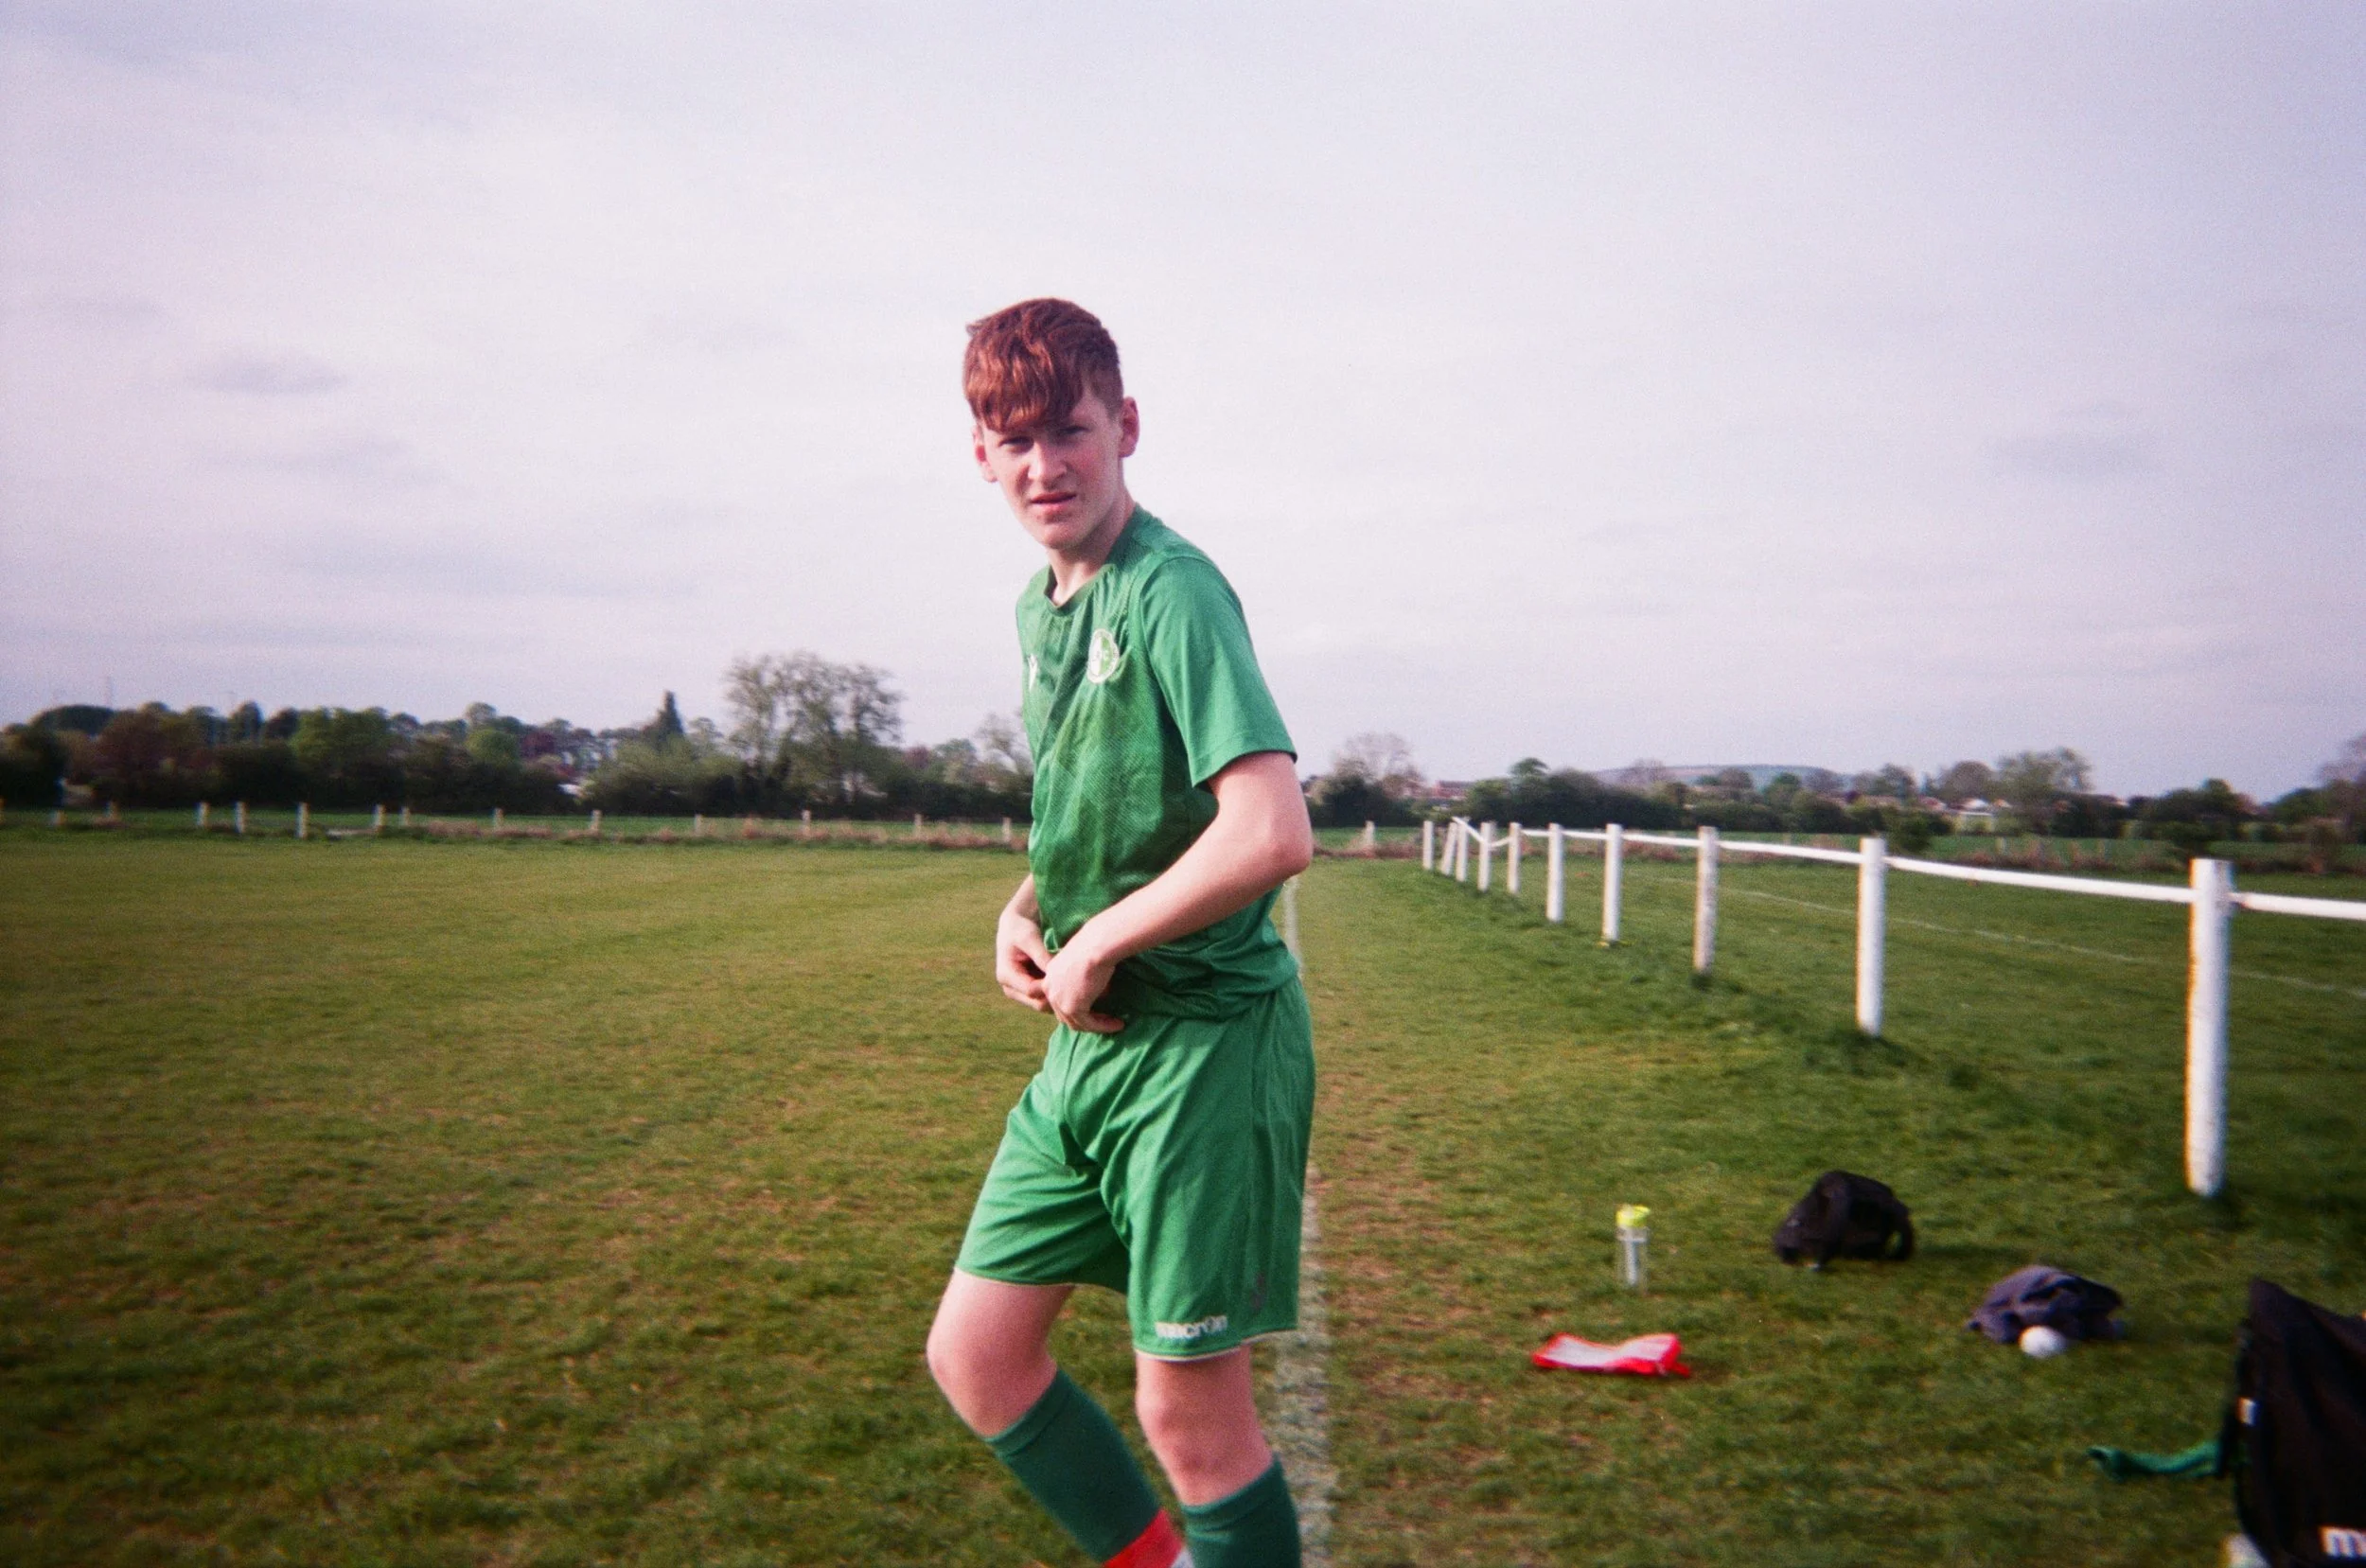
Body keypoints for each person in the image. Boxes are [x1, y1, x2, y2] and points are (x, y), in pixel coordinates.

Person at [926, 298, 1315, 1568]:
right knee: (979, 1356)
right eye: (1015, 440)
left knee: (1189, 1417)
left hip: (1204, 1047)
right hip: (1090, 1051)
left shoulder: (1174, 590)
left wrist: (1103, 943)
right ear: (981, 454)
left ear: (1126, 427)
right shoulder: (1041, 608)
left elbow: (1270, 830)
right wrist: (1029, 909)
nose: (1045, 465)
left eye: (1070, 431)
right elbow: (1099, 803)